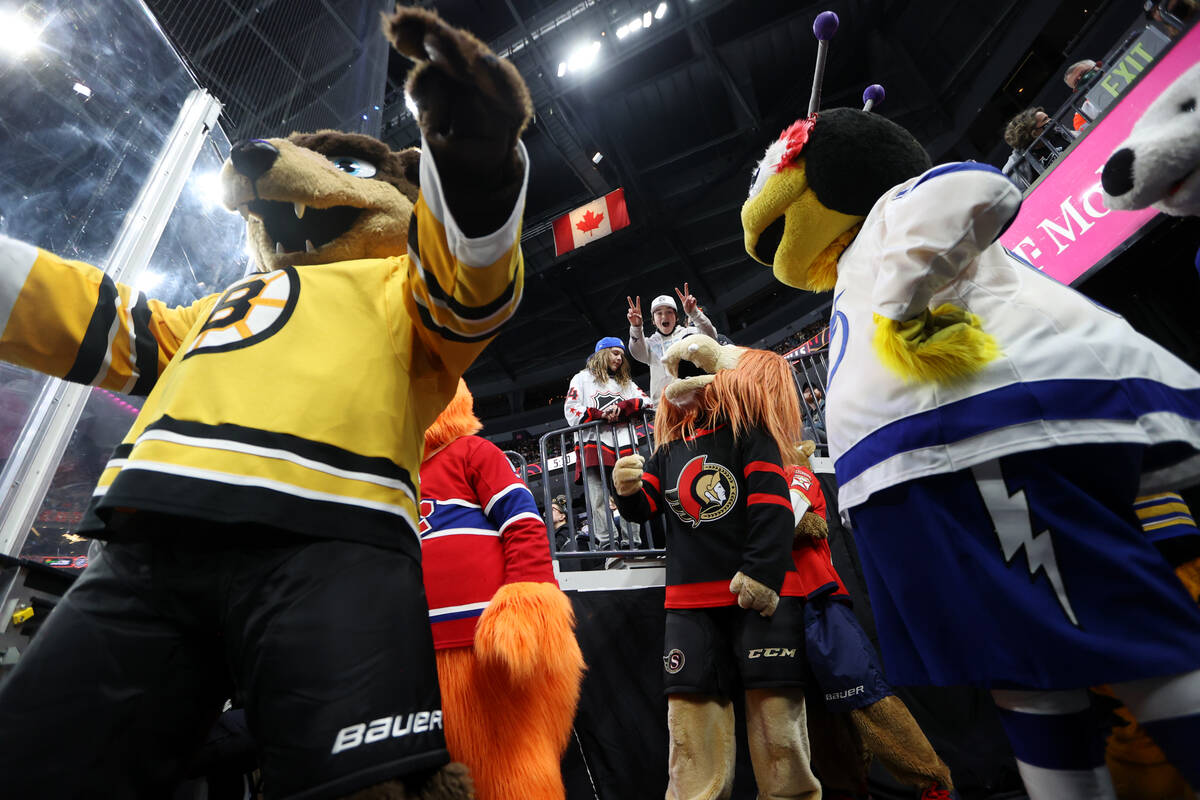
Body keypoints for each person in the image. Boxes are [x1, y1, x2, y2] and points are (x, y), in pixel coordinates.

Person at [564, 337, 650, 549]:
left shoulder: (626, 383)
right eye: (614, 353)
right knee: (598, 500)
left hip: (624, 445)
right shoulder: (582, 378)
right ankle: (608, 546)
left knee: (628, 495)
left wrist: (625, 407)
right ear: (601, 354)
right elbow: (571, 409)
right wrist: (599, 415)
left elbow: (647, 401)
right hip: (594, 445)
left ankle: (633, 545)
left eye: (621, 354)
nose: (619, 358)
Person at [627, 284, 718, 402]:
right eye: (659, 313)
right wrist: (636, 327)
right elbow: (636, 352)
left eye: (669, 312)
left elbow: (711, 337)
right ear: (653, 321)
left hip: (695, 399)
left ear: (676, 317)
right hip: (663, 406)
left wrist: (694, 313)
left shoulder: (689, 333)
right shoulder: (649, 344)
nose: (664, 316)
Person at [1001, 107, 1071, 189]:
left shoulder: (1059, 133)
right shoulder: (1016, 165)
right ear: (1034, 133)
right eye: (1045, 120)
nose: (1051, 120)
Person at [1064, 59, 1103, 131]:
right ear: (1076, 90)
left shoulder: (1124, 67)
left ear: (1098, 66)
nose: (1082, 79)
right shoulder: (1081, 115)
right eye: (1077, 82)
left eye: (1084, 73)